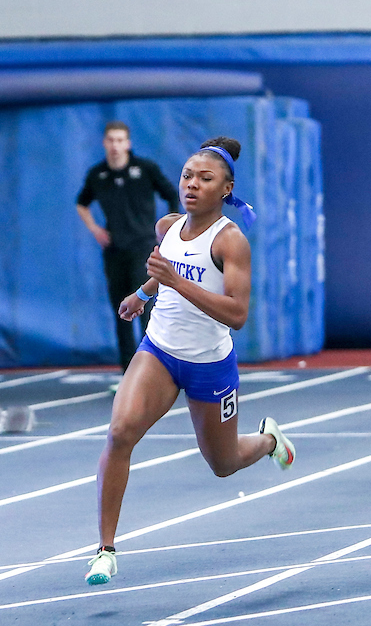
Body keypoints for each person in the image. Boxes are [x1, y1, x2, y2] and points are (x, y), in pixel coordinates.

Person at [85, 137, 294, 586]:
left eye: (205, 179)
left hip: (210, 367)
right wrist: (143, 294)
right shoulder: (167, 227)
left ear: (226, 188)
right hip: (158, 351)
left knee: (223, 464)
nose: (192, 185)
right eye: (186, 176)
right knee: (120, 433)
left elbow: (237, 314)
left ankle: (268, 442)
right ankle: (105, 550)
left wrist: (176, 282)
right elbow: (164, 271)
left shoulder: (231, 242)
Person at [76, 121, 180, 372]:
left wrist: (169, 230)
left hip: (143, 247)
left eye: (120, 140)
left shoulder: (145, 169)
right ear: (104, 143)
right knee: (121, 310)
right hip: (114, 251)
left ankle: (154, 370)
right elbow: (81, 202)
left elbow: (171, 195)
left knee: (145, 308)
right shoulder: (97, 174)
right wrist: (95, 229)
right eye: (111, 140)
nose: (115, 145)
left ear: (128, 143)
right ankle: (128, 372)